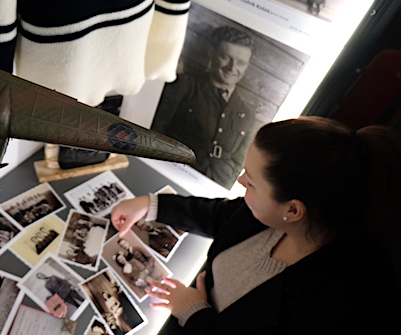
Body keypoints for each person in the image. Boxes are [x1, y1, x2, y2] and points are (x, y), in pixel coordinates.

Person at [112, 116, 401, 332]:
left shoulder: (338, 305)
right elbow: (224, 216)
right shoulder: (279, 213)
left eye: (251, 182)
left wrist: (194, 312)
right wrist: (152, 205)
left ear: (293, 210)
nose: (240, 181)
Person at [156, 25, 256, 189]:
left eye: (241, 63)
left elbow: (240, 160)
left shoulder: (246, 112)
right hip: (173, 173)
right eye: (225, 57)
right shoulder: (185, 86)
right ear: (212, 53)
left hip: (215, 185)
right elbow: (157, 129)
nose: (232, 68)